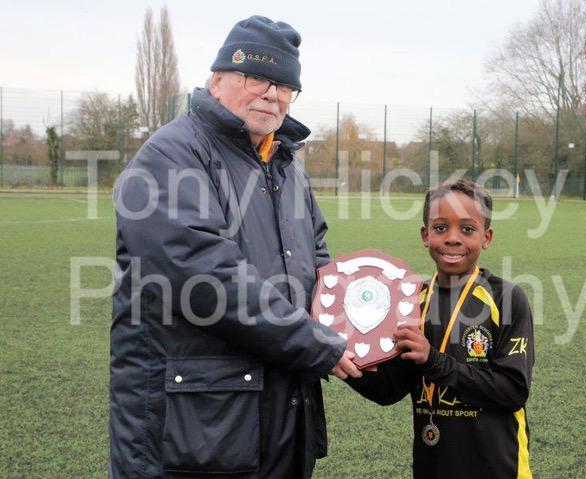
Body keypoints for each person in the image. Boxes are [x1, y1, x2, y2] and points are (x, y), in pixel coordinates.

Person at [110, 15, 360, 479]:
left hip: (280, 418)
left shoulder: (286, 166)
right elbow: (206, 275)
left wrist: (361, 320)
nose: (272, 94)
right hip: (196, 430)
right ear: (217, 80)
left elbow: (317, 264)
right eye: (255, 77)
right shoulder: (171, 154)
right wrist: (315, 343)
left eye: (284, 85)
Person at [347, 179, 535, 478]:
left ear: (486, 237)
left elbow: (512, 391)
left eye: (467, 229)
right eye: (440, 228)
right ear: (425, 235)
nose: (453, 239)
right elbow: (389, 389)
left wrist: (433, 361)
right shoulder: (410, 302)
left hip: (499, 468)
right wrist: (343, 358)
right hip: (434, 467)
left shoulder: (507, 298)